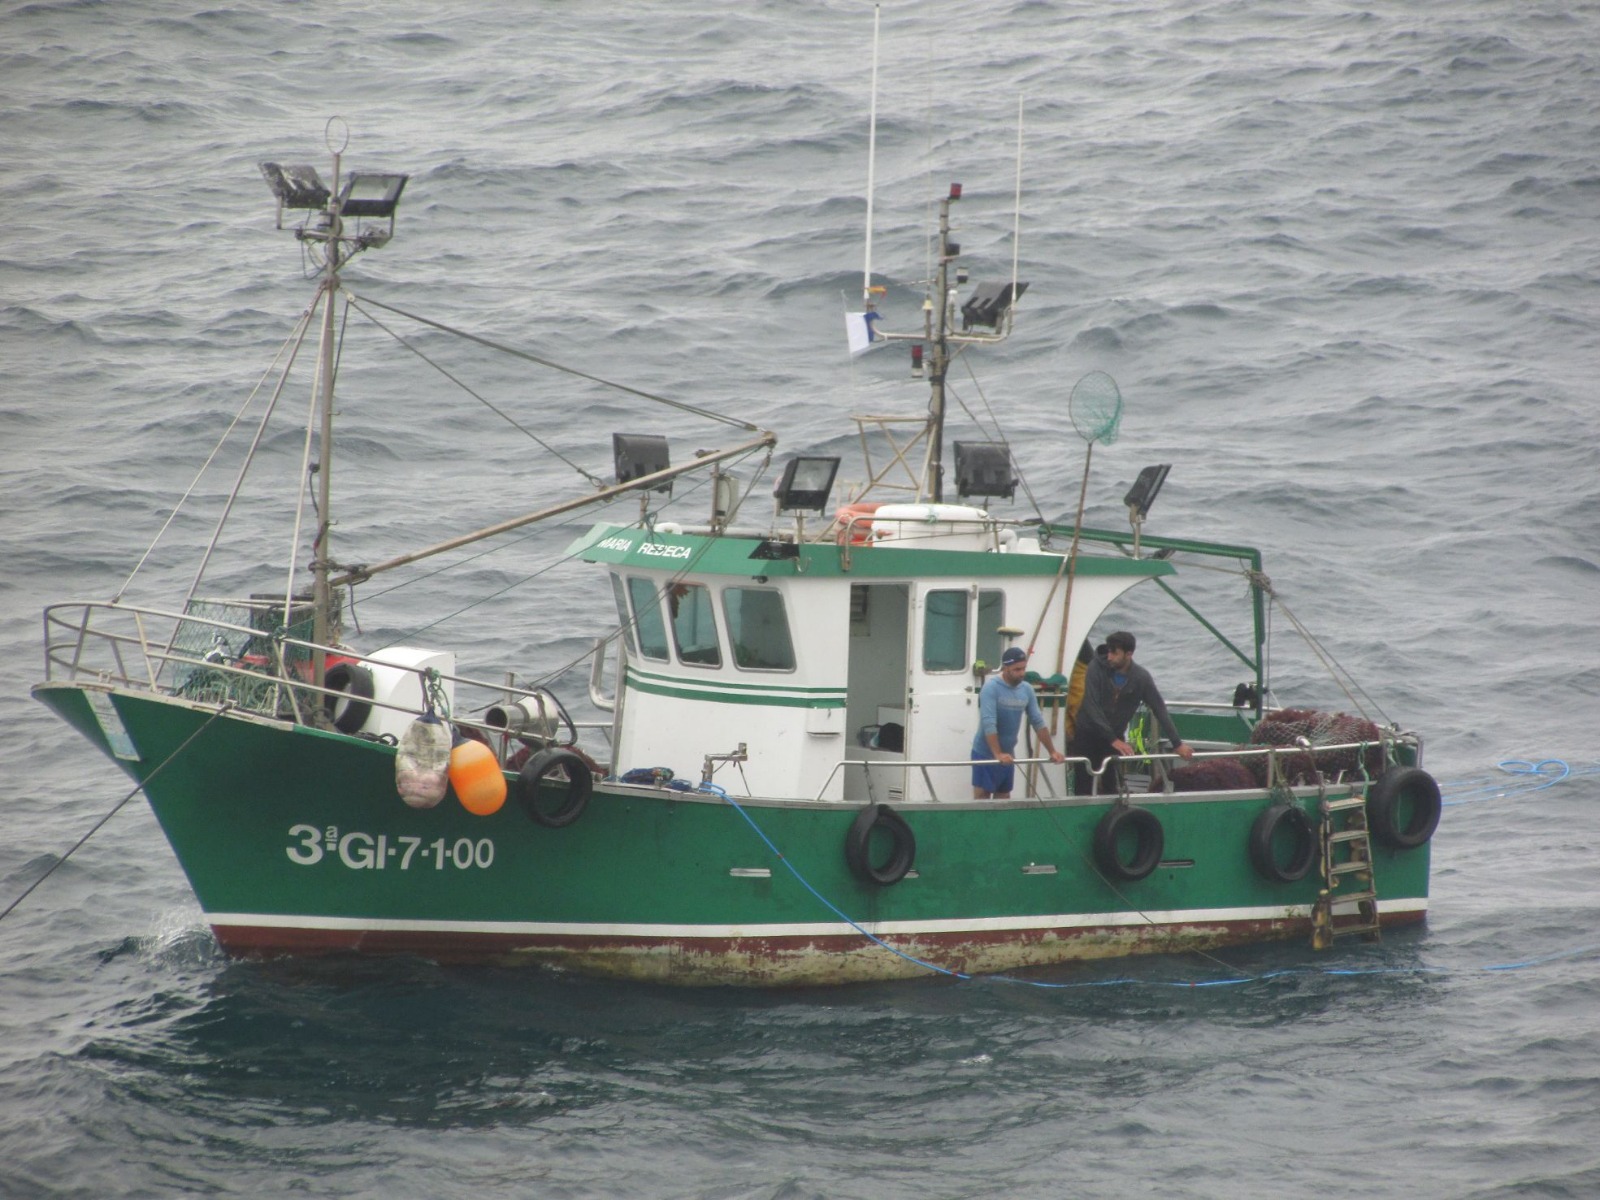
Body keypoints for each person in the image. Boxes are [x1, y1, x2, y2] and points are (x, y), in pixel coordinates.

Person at [1070, 630, 1194, 795]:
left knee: (1112, 787)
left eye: (1114, 653)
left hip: (1113, 738)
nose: (1109, 657)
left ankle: (1114, 804)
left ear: (1129, 654)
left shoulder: (1140, 677)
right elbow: (1090, 705)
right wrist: (1113, 739)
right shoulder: (1095, 668)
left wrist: (1177, 744)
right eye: (1109, 651)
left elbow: (1159, 709)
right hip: (1088, 734)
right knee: (1083, 786)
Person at [971, 646, 1066, 799]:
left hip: (1008, 754)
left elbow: (1038, 722)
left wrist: (1052, 751)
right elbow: (989, 722)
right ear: (1005, 668)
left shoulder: (1026, 689)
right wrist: (997, 754)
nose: (1022, 673)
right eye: (1017, 669)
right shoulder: (991, 688)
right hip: (985, 753)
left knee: (1004, 798)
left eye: (1023, 669)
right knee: (982, 798)